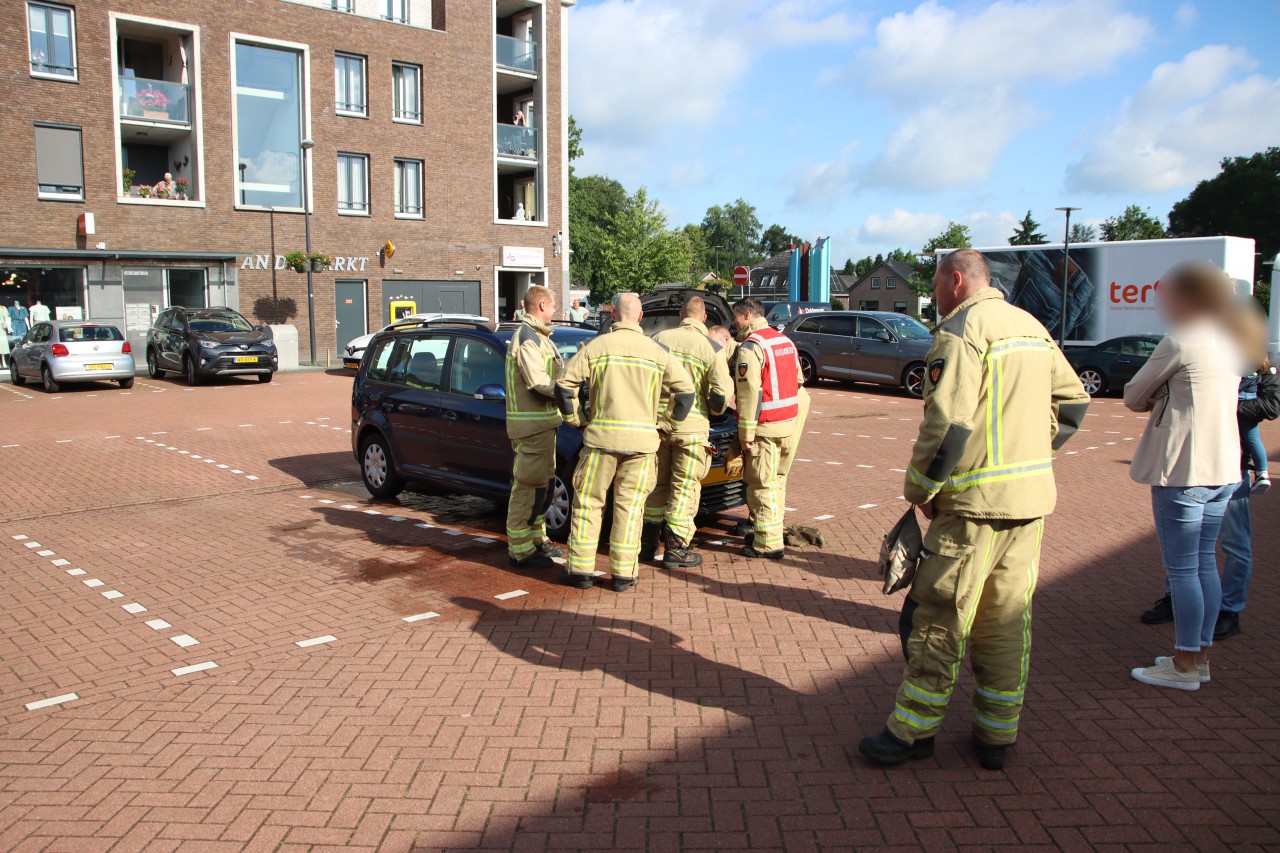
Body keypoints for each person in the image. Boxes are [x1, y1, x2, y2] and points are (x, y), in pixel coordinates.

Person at [859, 249, 1090, 771]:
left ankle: (912, 732)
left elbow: (948, 424)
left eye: (936, 286)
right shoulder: (1030, 325)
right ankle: (995, 736)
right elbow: (1074, 401)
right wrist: (1035, 454)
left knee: (941, 615)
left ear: (956, 280)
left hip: (971, 506)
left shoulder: (962, 331)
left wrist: (919, 489)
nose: (934, 297)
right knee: (1005, 619)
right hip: (1029, 504)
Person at [1125, 262, 1245, 692]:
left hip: (1183, 470)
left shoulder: (1180, 340)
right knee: (1204, 566)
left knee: (1182, 572)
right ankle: (1198, 656)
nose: (1163, 299)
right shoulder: (1230, 341)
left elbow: (1133, 395)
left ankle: (1183, 664)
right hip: (1224, 467)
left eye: (1169, 292)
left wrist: (1162, 392)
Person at [554, 293, 695, 592]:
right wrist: (665, 426)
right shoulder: (658, 351)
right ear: (641, 317)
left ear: (613, 316)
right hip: (642, 446)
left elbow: (564, 386)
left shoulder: (596, 347)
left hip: (599, 441)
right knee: (630, 508)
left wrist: (576, 421)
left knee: (589, 505)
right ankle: (623, 574)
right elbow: (685, 393)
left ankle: (580, 570)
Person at [641, 296, 732, 569]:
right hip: (691, 431)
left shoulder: (658, 338)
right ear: (704, 318)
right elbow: (720, 396)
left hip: (658, 427)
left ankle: (647, 545)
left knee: (655, 486)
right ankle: (677, 549)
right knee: (684, 488)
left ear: (681, 315)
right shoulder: (712, 347)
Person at [731, 298, 802, 560]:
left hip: (765, 428)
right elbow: (798, 380)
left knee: (760, 485)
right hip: (788, 425)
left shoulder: (752, 347)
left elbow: (749, 393)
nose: (733, 323)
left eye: (736, 318)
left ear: (747, 315)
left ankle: (767, 544)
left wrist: (745, 435)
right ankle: (773, 532)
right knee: (777, 483)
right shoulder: (784, 341)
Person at [504, 285, 565, 568]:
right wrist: (567, 391)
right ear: (541, 306)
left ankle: (537, 539)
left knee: (544, 485)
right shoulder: (529, 339)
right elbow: (538, 382)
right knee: (528, 486)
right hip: (531, 427)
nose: (555, 310)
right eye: (553, 306)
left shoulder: (541, 338)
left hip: (542, 426)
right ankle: (521, 549)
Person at [1238, 363, 1271, 494]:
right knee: (1253, 437)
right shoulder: (1257, 351)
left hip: (1237, 396)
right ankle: (1262, 472)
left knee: (1231, 436)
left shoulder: (1233, 350)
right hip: (1252, 395)